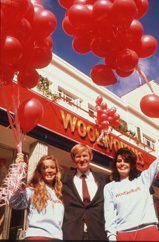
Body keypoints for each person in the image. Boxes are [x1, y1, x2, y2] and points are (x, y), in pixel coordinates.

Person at [103, 147, 159, 241]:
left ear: (131, 164)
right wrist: (111, 237)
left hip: (148, 231)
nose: (122, 164)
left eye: (126, 161)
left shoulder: (143, 180)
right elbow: (109, 215)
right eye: (119, 161)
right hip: (123, 234)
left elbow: (157, 163)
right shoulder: (109, 188)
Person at [9, 154, 64, 240]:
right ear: (40, 171)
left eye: (52, 167)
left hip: (56, 237)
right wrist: (17, 172)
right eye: (45, 168)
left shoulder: (59, 194)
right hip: (37, 236)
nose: (49, 170)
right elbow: (14, 202)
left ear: (56, 170)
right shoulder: (33, 190)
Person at [62, 143, 109, 240]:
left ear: (90, 157)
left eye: (85, 156)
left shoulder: (104, 179)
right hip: (72, 234)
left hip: (98, 234)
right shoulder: (64, 178)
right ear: (73, 159)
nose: (82, 159)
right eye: (78, 156)